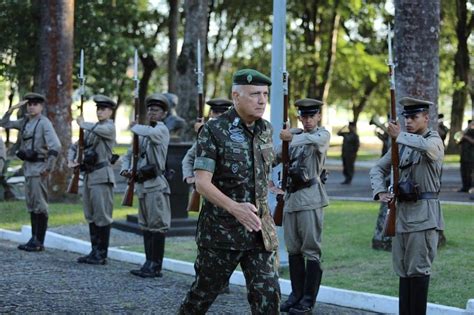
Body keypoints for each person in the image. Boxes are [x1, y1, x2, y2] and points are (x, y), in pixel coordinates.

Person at [178, 69, 280, 314]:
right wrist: (236, 209)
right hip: (222, 234)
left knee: (268, 297)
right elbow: (202, 183)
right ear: (236, 95)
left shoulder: (266, 129)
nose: (262, 100)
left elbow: (260, 173)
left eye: (265, 94)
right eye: (255, 94)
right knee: (201, 296)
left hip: (259, 233)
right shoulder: (214, 130)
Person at [369, 96, 445, 315]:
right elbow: (377, 169)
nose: (409, 121)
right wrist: (380, 190)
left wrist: (399, 136)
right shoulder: (402, 145)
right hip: (401, 216)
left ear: (426, 118)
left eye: (414, 117)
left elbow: (428, 149)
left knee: (418, 270)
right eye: (406, 117)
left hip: (423, 217)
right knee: (403, 271)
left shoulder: (433, 139)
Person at [275, 98, 330, 314]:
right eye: (303, 116)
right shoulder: (295, 136)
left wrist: (290, 138)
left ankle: (308, 299)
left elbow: (313, 142)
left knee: (311, 250)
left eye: (311, 116)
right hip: (291, 200)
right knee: (293, 250)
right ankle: (296, 295)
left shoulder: (321, 135)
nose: (307, 120)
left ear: (318, 117)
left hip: (310, 198)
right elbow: (276, 155)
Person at [0, 92, 61, 251]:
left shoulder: (44, 123)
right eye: (30, 104)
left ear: (41, 106)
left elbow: (55, 146)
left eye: (35, 104)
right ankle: (33, 238)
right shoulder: (25, 121)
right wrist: (12, 109)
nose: (32, 106)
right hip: (28, 168)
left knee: (40, 205)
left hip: (39, 168)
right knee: (32, 204)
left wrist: (48, 167)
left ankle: (39, 241)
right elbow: (4, 123)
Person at [120, 93, 171, 278]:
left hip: (155, 185)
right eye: (149, 110)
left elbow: (150, 133)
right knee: (146, 225)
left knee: (157, 226)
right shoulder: (142, 134)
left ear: (164, 114)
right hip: (142, 185)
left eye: (156, 110)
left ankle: (156, 266)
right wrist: (125, 169)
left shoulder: (161, 130)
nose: (152, 113)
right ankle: (148, 262)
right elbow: (127, 155)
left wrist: (135, 126)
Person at [68, 95, 117, 265]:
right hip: (89, 176)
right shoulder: (92, 128)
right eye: (98, 109)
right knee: (90, 214)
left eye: (103, 109)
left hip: (102, 176)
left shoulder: (109, 127)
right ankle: (94, 250)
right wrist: (71, 159)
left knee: (102, 215)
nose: (100, 112)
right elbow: (75, 146)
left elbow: (99, 130)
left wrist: (82, 124)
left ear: (111, 111)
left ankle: (101, 254)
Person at [181, 98, 233, 186]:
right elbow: (188, 158)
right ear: (210, 114)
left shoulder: (234, 134)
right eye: (216, 112)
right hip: (207, 186)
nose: (219, 115)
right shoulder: (205, 135)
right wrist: (189, 177)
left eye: (222, 113)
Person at [457, 119, 474, 193]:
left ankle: (470, 187)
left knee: (470, 173)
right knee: (463, 172)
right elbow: (457, 140)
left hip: (471, 157)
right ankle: (465, 187)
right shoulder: (465, 132)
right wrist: (464, 133)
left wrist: (466, 137)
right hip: (464, 156)